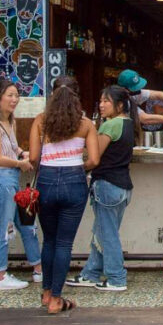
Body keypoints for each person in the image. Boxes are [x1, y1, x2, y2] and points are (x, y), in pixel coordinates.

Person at [29, 76, 100, 313]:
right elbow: (94, 160)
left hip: (47, 180)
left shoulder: (41, 121)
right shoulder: (86, 124)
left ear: (52, 95)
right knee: (64, 243)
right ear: (77, 96)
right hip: (74, 181)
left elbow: (32, 158)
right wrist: (77, 168)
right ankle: (57, 299)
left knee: (49, 240)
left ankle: (47, 293)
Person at [67, 85, 136, 291]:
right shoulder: (128, 122)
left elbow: (94, 157)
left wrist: (77, 167)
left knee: (107, 235)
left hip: (107, 186)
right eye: (101, 100)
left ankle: (116, 278)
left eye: (106, 101)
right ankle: (91, 274)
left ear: (120, 105)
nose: (102, 104)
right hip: (122, 187)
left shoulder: (110, 125)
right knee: (102, 232)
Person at [0, 80, 43, 291]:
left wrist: (24, 154)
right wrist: (20, 163)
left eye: (16, 95)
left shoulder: (11, 122)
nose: (14, 99)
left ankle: (38, 269)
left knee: (27, 225)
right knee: (4, 228)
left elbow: (14, 148)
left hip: (12, 179)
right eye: (9, 95)